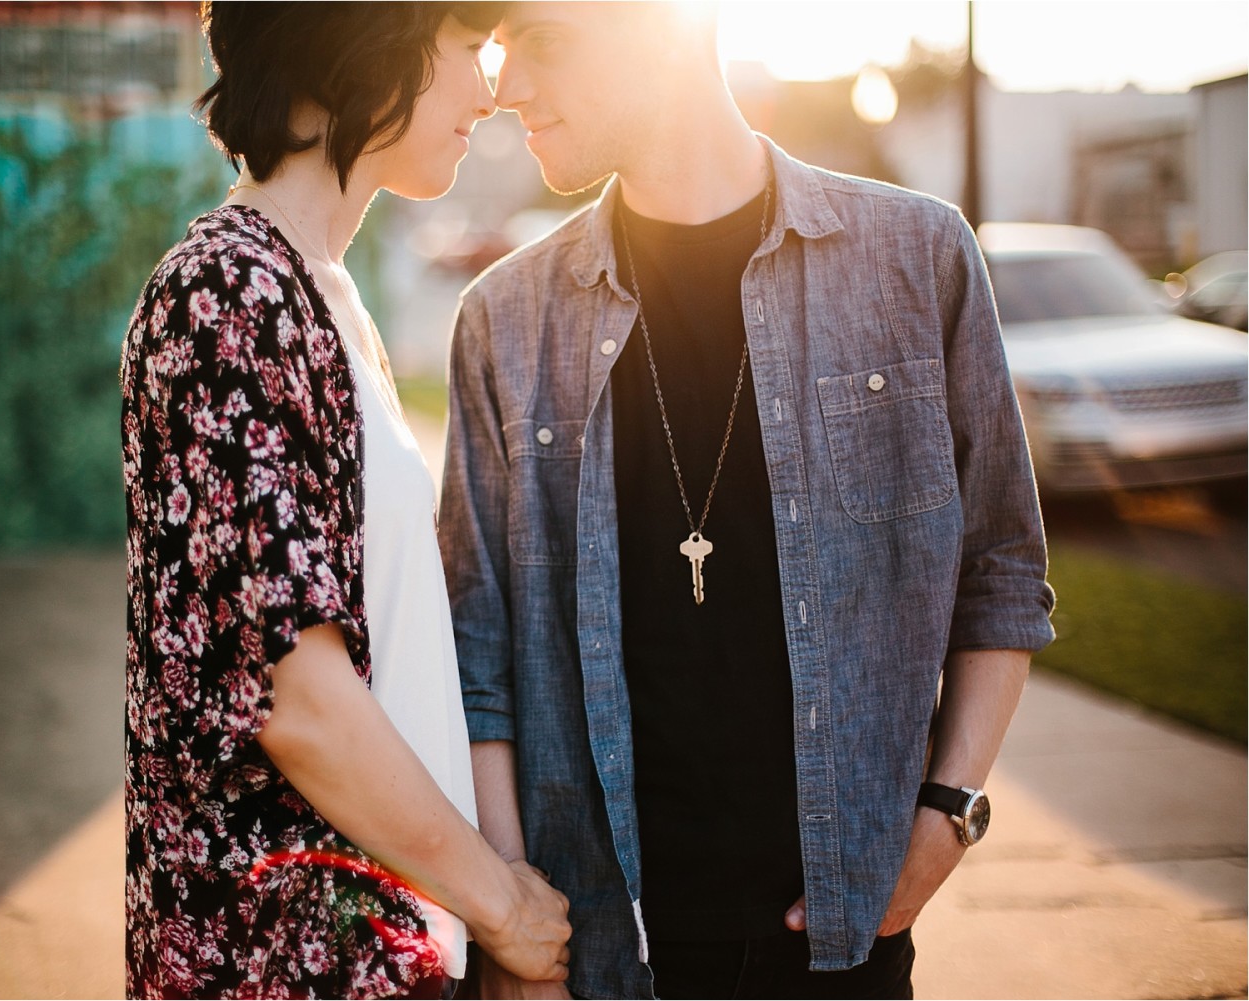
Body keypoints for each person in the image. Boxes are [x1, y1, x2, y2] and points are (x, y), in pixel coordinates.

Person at [437, 4, 1055, 998]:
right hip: (597, 955)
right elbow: (481, 652)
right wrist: (514, 921)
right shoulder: (504, 320)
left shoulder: (916, 257)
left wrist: (950, 813)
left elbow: (1002, 572)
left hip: (843, 951)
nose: (506, 87)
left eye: (540, 40)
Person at [120, 4, 571, 998]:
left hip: (363, 946)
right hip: (281, 960)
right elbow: (299, 699)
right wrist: (501, 904)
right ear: (364, 42)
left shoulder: (318, 294)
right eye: (467, 48)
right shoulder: (225, 296)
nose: (490, 90)